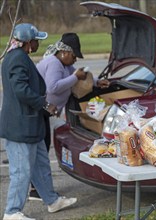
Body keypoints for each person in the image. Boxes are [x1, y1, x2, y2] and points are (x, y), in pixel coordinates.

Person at [0, 23, 77, 220]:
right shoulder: (17, 59)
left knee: (41, 164)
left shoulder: (19, 56)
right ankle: (12, 211)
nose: (38, 44)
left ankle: (52, 200)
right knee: (21, 171)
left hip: (30, 124)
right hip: (20, 126)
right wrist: (45, 104)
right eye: (36, 40)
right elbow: (21, 90)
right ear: (27, 42)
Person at [30, 33, 109, 200]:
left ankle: (38, 187)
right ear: (65, 52)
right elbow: (53, 87)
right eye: (74, 56)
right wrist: (74, 78)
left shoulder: (63, 65)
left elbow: (77, 76)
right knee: (41, 149)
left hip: (45, 110)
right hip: (39, 110)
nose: (75, 60)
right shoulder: (54, 63)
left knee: (42, 147)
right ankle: (36, 189)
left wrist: (95, 82)